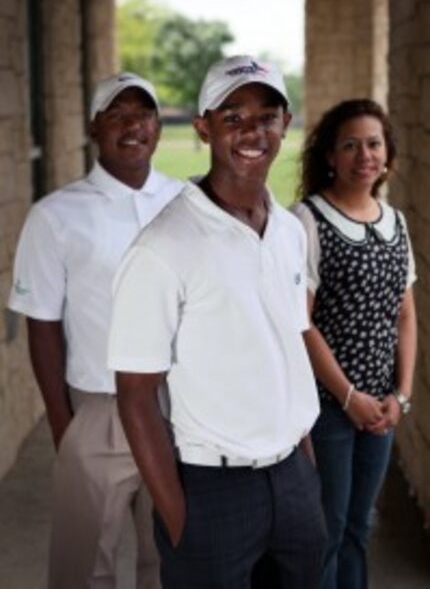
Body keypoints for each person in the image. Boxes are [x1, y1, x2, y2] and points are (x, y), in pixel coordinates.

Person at [107, 54, 327, 589]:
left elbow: (289, 346)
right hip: (211, 489)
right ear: (203, 128)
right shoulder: (163, 247)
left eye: (267, 115)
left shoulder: (289, 232)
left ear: (286, 124)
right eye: (233, 117)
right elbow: (135, 393)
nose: (253, 130)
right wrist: (180, 518)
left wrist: (305, 466)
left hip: (293, 478)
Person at [8, 71, 183, 589]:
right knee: (85, 566)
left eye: (144, 113)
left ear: (157, 126)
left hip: (177, 405)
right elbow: (42, 327)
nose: (133, 125)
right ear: (94, 127)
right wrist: (66, 429)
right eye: (118, 114)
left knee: (173, 553)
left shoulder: (186, 202)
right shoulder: (55, 216)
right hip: (98, 407)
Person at [292, 98, 417, 589]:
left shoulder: (396, 222)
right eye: (350, 145)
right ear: (330, 156)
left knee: (359, 528)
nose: (363, 155)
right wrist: (348, 397)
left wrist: (400, 397)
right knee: (327, 530)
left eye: (373, 144)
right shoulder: (307, 218)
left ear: (387, 155)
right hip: (328, 406)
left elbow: (406, 316)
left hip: (381, 409)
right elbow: (300, 323)